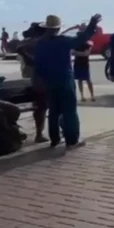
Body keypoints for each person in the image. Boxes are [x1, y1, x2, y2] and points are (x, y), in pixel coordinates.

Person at [34, 14, 101, 148]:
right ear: (58, 28)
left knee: (53, 111)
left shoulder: (40, 43)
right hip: (65, 80)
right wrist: (92, 24)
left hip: (49, 81)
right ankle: (72, 140)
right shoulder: (63, 40)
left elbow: (38, 65)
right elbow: (82, 38)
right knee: (69, 110)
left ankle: (55, 138)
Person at [16, 22, 49, 143]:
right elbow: (35, 63)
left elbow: (19, 48)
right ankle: (40, 133)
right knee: (43, 107)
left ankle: (40, 132)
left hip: (32, 78)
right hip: (42, 80)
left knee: (41, 107)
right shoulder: (39, 43)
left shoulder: (27, 42)